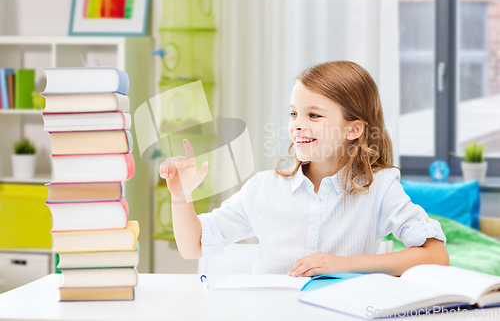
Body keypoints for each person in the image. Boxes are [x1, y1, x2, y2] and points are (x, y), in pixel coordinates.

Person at [159, 61, 449, 277]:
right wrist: (181, 196)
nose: (297, 124)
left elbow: (436, 255)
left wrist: (342, 265)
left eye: (314, 115)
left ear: (354, 129)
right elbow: (193, 245)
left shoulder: (380, 187)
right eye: (294, 113)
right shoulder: (264, 188)